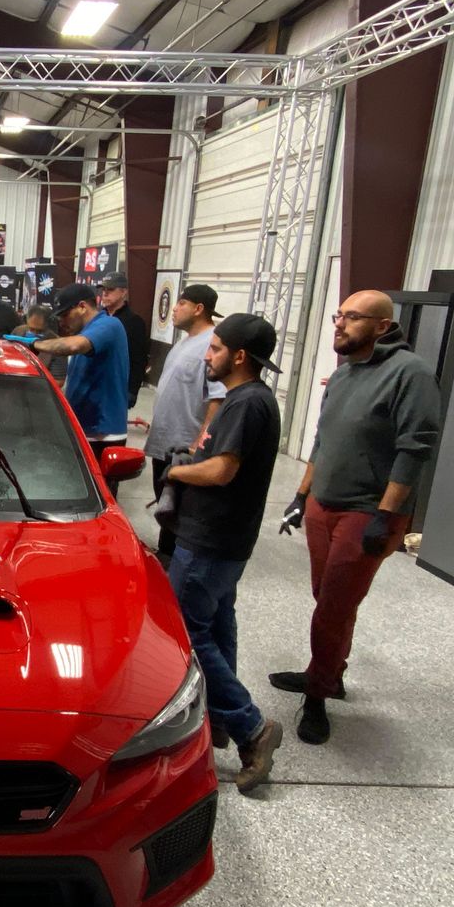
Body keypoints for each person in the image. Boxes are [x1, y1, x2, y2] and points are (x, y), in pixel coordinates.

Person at [271, 290, 443, 745]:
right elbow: (324, 441)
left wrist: (385, 517)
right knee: (326, 597)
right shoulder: (346, 373)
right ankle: (330, 672)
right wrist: (300, 494)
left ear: (383, 326)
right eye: (338, 316)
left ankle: (317, 696)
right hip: (323, 504)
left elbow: (415, 449)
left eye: (353, 318)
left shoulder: (411, 374)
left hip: (368, 511)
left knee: (332, 607)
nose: (340, 325)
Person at [162, 313, 285, 792]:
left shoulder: (246, 404)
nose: (207, 356)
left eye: (214, 349)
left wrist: (176, 472)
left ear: (238, 356)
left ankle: (252, 727)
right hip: (224, 541)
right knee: (216, 628)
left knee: (189, 634)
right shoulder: (249, 400)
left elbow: (220, 472)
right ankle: (222, 723)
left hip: (210, 541)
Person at [143, 283, 224, 564]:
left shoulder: (212, 344)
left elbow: (217, 398)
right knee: (166, 503)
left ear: (198, 309)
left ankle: (174, 561)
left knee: (181, 508)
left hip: (184, 446)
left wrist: (199, 442)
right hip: (165, 440)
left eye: (180, 304)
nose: (174, 309)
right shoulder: (185, 340)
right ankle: (167, 553)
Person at [32, 282, 130, 496]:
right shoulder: (89, 330)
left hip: (103, 433)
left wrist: (33, 345)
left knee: (98, 499)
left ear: (83, 307)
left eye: (65, 315)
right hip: (85, 429)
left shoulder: (108, 326)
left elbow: (72, 346)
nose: (61, 321)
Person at [98, 273, 151, 410]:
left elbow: (139, 359)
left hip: (118, 387)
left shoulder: (134, 322)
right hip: (95, 384)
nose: (105, 294)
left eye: (110, 290)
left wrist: (132, 391)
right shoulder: (98, 318)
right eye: (103, 290)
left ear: (123, 292)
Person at [19, 304, 67, 382]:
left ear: (48, 326)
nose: (34, 333)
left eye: (39, 331)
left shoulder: (58, 346)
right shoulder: (18, 332)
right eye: (31, 329)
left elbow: (58, 381)